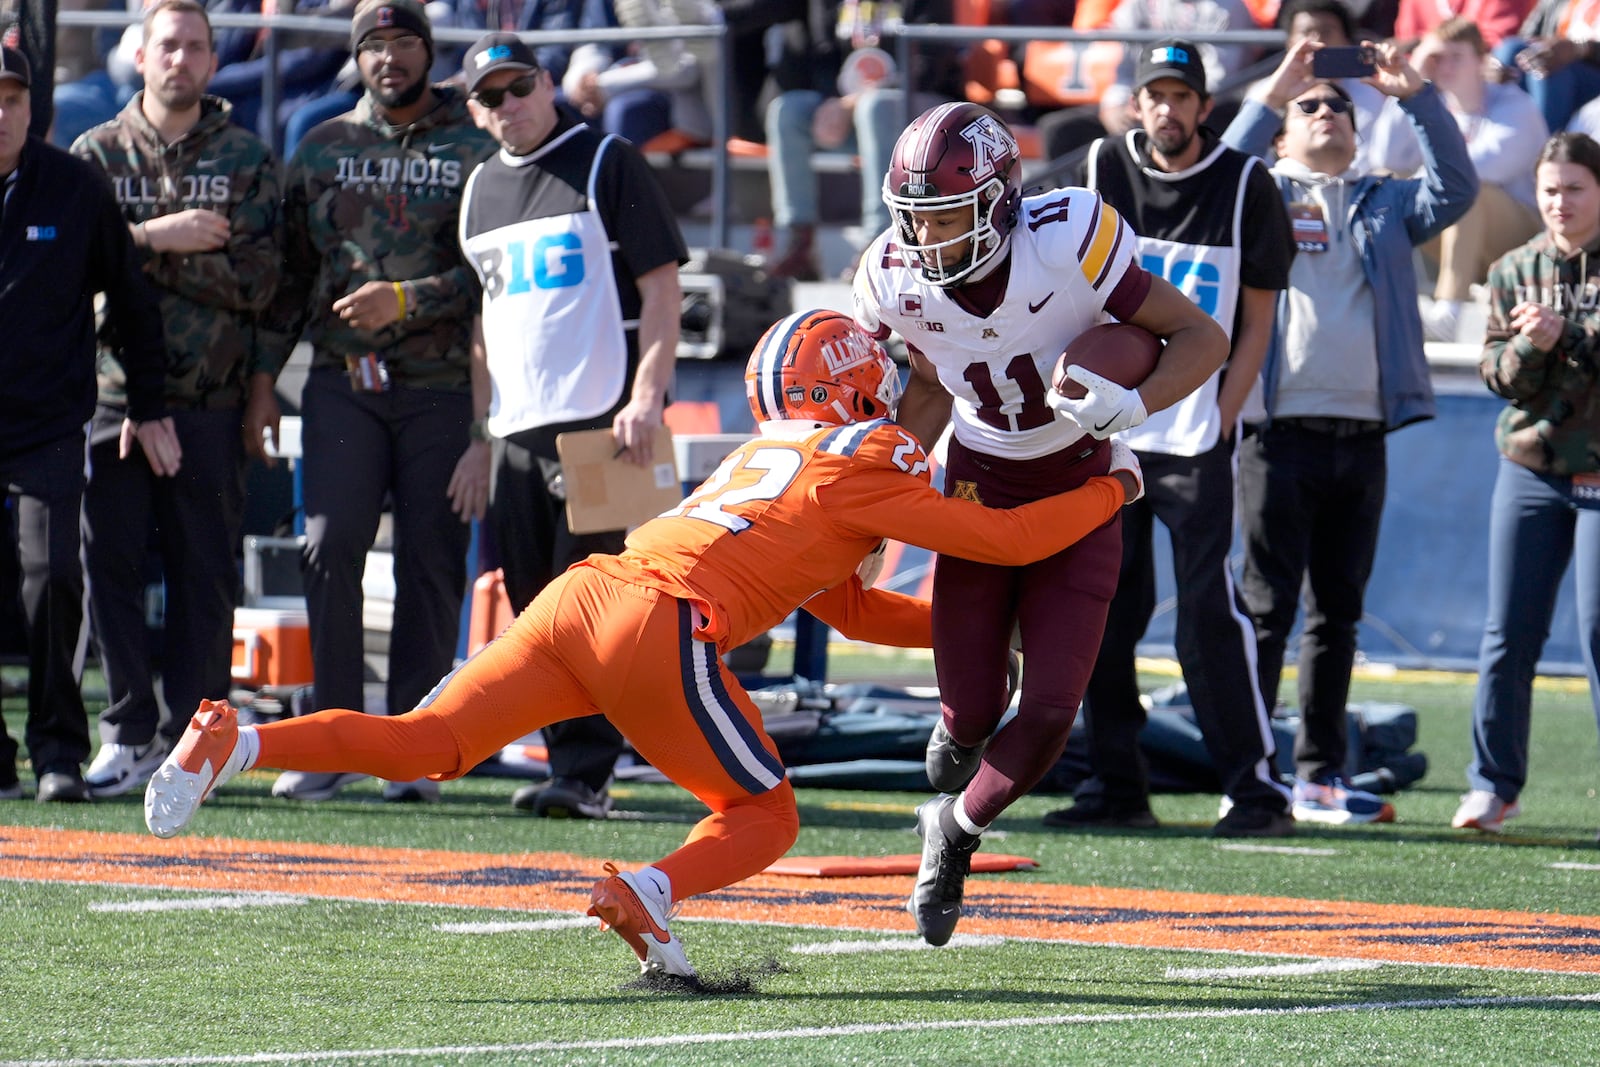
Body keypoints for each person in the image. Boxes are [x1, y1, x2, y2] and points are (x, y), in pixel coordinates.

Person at [143, 308, 1147, 978]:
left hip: (586, 596)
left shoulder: (775, 454)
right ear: (845, 381)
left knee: (426, 742)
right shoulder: (864, 456)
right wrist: (1114, 486)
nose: (892, 383)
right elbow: (1007, 538)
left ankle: (238, 741)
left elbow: (844, 607)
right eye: (875, 369)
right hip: (659, 620)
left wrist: (963, 640)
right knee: (764, 812)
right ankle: (646, 888)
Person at [852, 101, 1230, 945]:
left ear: (998, 203)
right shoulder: (889, 275)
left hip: (1078, 487)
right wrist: (873, 513)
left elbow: (1199, 337)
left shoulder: (1066, 238)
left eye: (947, 218)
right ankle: (962, 728)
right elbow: (920, 392)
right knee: (968, 714)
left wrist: (1134, 403)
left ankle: (953, 830)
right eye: (915, 220)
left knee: (1056, 706)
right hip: (979, 490)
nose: (928, 241)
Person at [1041, 39, 1298, 837]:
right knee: (1104, 609)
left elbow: (1257, 316)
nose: (1166, 108)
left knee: (1206, 617)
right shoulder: (1097, 173)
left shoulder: (1246, 182)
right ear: (1137, 102)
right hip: (1103, 438)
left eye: (1180, 95)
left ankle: (1255, 789)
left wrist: (1224, 411)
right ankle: (1118, 784)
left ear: (1203, 107)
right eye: (1154, 94)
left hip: (1192, 432)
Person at [1223, 39, 1477, 823]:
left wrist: (1414, 95)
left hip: (1362, 434)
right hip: (1279, 431)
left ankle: (1319, 774)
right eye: (1313, 106)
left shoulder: (1386, 200)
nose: (1330, 110)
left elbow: (1459, 187)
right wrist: (1272, 90)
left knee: (1337, 615)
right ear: (1281, 133)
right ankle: (1252, 771)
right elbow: (1213, 178)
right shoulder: (1254, 191)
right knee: (1267, 613)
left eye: (1341, 106)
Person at [256, 0, 496, 803]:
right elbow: (289, 279)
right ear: (356, 58)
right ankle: (330, 736)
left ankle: (414, 747)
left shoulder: (474, 145)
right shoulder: (320, 145)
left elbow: (494, 272)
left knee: (431, 559)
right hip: (340, 386)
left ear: (429, 52)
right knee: (329, 545)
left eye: (404, 44)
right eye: (373, 46)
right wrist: (263, 382)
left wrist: (408, 297)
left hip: (440, 390)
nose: (389, 59)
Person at [455, 30, 687, 818]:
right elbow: (483, 327)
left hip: (604, 423)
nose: (509, 104)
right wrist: (483, 435)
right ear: (475, 111)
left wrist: (647, 396)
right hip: (517, 428)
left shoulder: (605, 159)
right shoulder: (478, 188)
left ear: (548, 83)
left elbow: (661, 288)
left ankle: (589, 771)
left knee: (604, 609)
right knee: (534, 606)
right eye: (490, 96)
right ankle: (569, 765)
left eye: (519, 87)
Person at [71, 0, 283, 799]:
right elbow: (74, 271)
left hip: (210, 396)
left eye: (196, 46)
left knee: (205, 575)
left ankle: (196, 744)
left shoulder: (248, 158)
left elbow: (260, 281)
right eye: (168, 44)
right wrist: (163, 238)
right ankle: (126, 729)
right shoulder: (93, 154)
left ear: (213, 58)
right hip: (110, 398)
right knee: (108, 565)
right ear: (139, 53)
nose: (180, 59)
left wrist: (129, 253)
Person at [0, 44, 175, 803]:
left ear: (33, 106)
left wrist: (147, 403)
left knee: (54, 578)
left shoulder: (74, 188)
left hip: (46, 425)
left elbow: (133, 305)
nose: (0, 112)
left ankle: (57, 752)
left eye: (11, 98)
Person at [1454, 133, 1600, 835]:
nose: (1560, 202)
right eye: (1549, 189)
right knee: (1507, 631)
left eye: (1574, 187)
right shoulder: (1515, 267)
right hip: (1530, 465)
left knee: (1598, 629)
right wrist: (1526, 345)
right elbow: (1497, 377)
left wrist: (1565, 332)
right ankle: (1492, 784)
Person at [1369, 17, 1545, 341]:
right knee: (1383, 183)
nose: (1445, 66)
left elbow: (1478, 170)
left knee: (1467, 189)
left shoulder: (1516, 106)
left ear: (1481, 59)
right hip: (1458, 236)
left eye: (1456, 57)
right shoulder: (1430, 104)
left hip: (1519, 238)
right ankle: (1385, 299)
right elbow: (1385, 157)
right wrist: (1413, 82)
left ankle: (1449, 311)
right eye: (1438, 57)